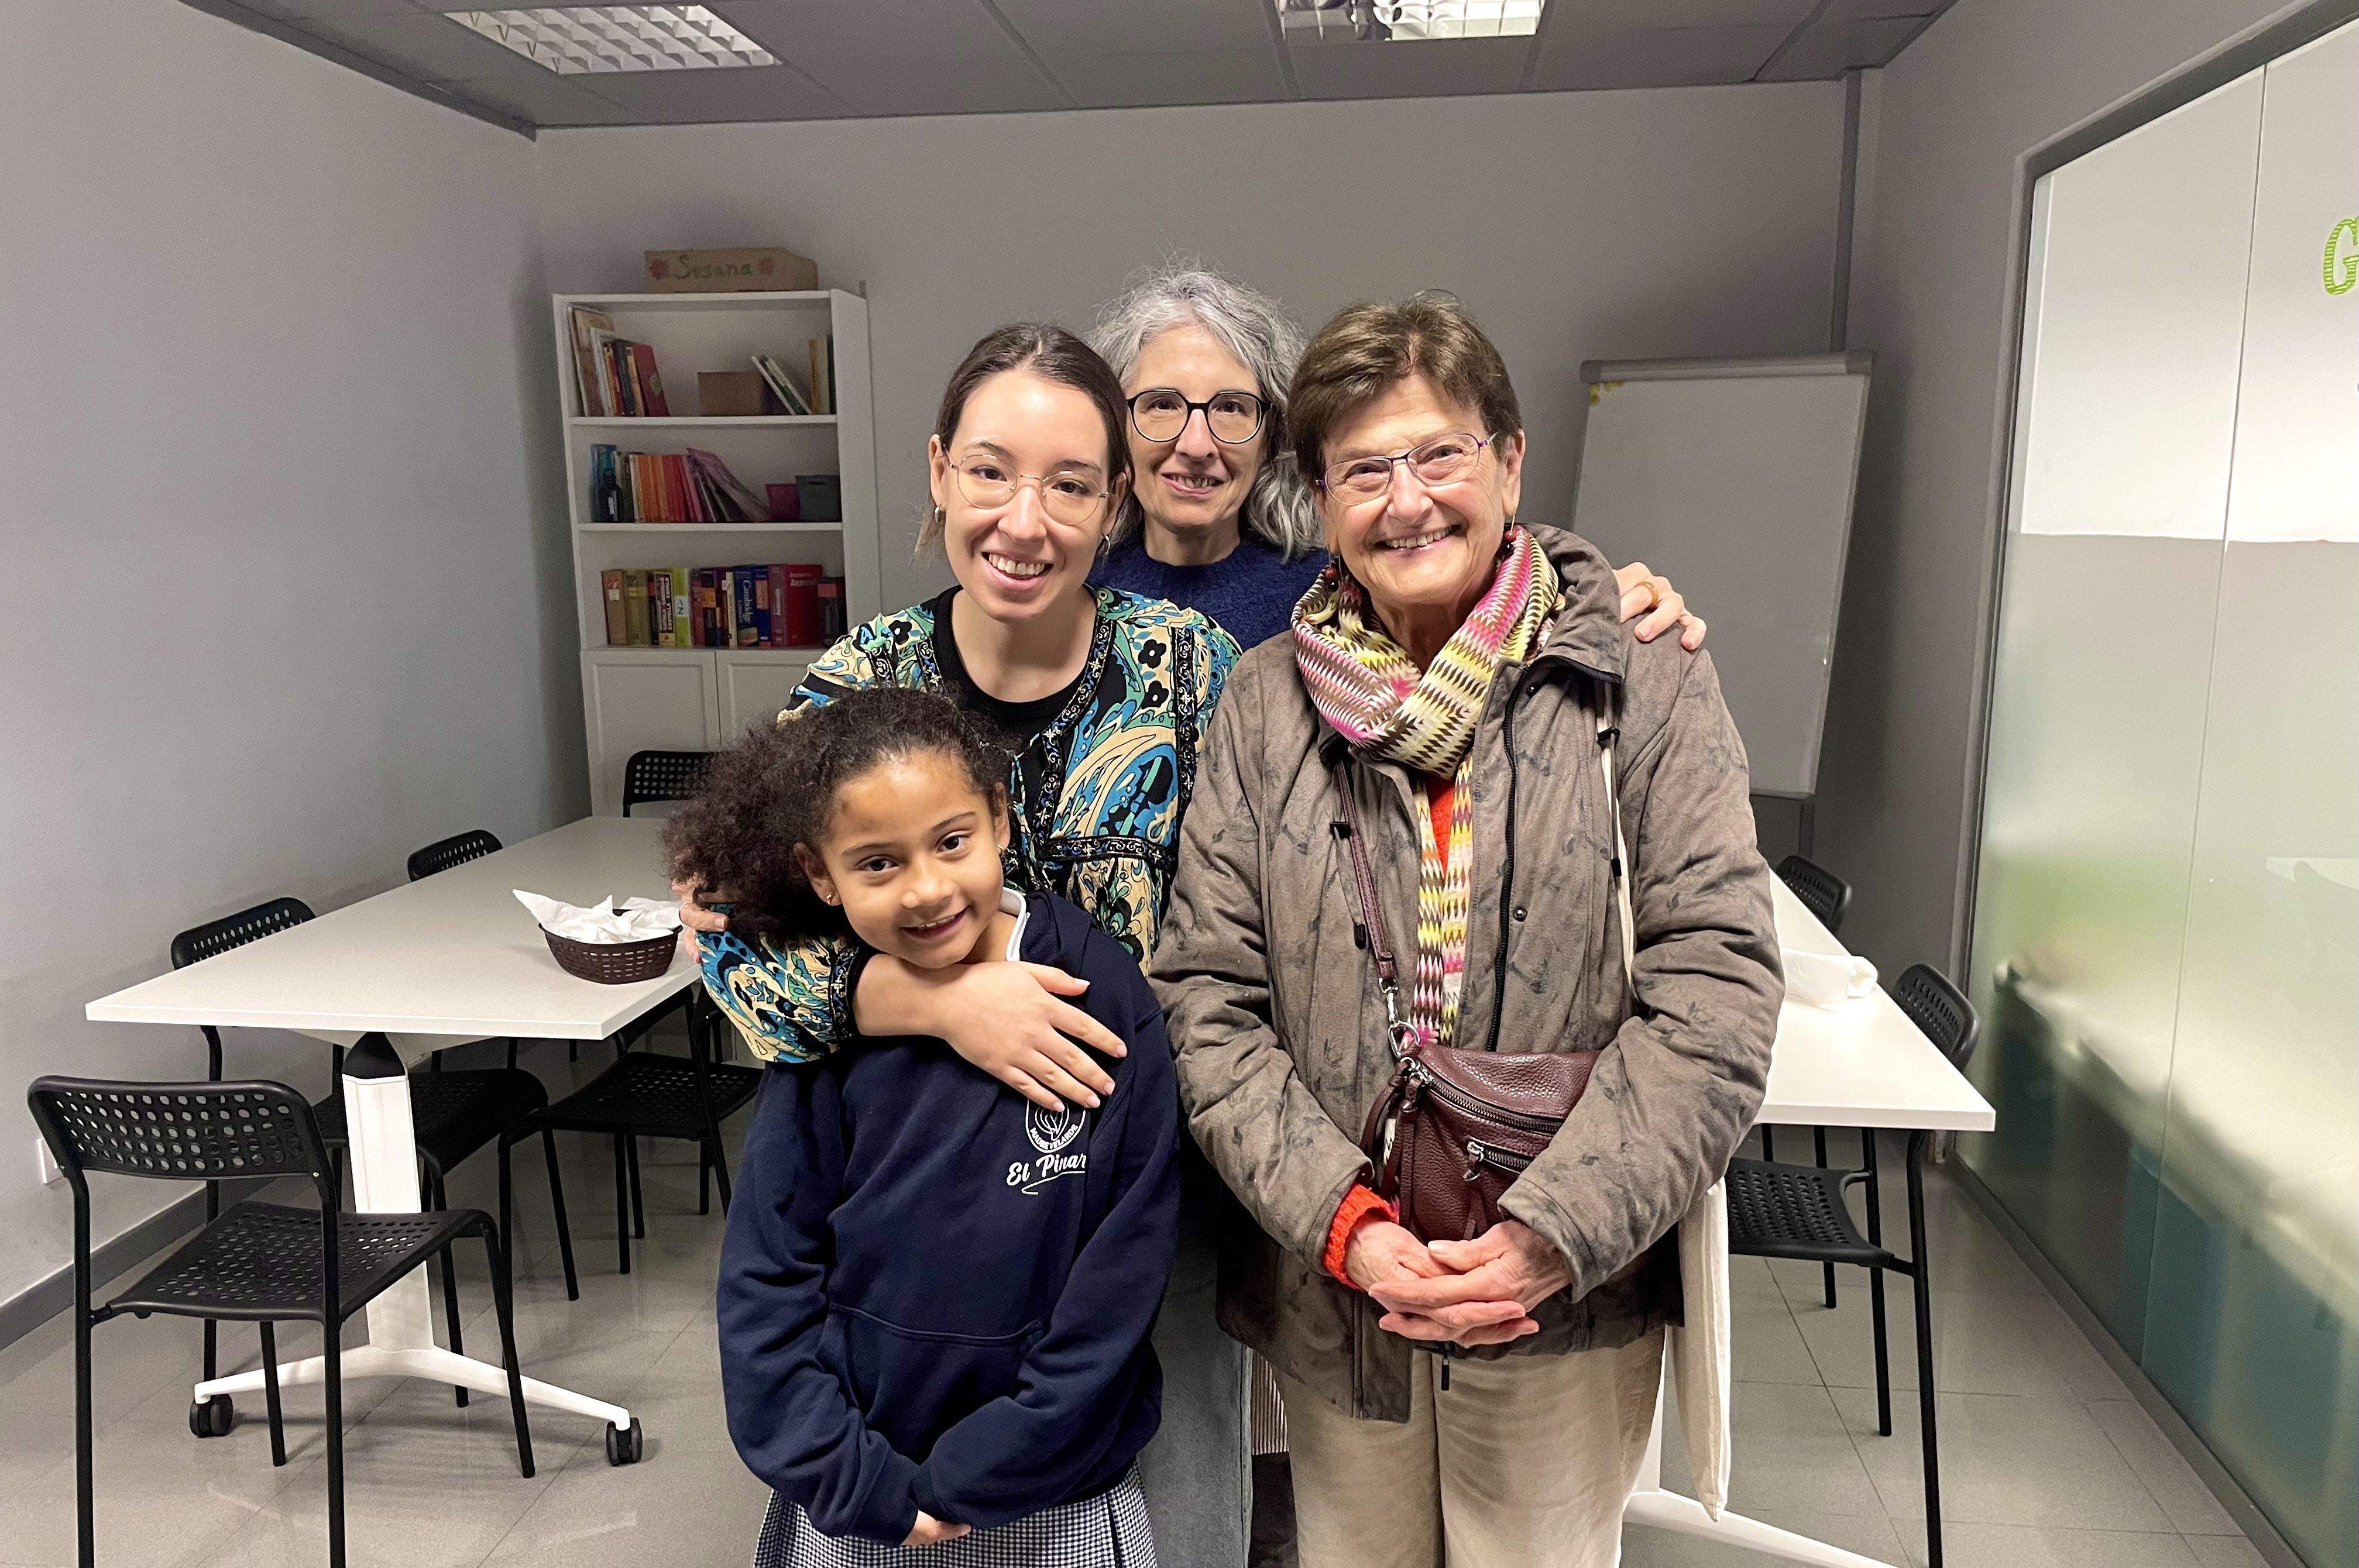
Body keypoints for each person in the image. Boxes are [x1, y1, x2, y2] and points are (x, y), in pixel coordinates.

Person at [1086, 262, 1709, 1564]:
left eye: (1439, 453)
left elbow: (1711, 992)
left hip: (1563, 1285)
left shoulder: (1631, 678)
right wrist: (1344, 1224)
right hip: (1335, 1283)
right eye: (1362, 470)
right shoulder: (1262, 699)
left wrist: (1554, 1232)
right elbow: (1205, 992)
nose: (1405, 496)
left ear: (1510, 461)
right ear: (1318, 496)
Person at [678, 322, 1256, 1564]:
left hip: (1138, 1204)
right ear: (939, 468)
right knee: (909, 1508)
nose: (1021, 518)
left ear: (1114, 506)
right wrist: (932, 1005)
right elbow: (735, 950)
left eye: (1068, 483)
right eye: (989, 470)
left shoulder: (1192, 672)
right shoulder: (855, 684)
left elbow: (1285, 894)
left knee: (1180, 1509)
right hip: (909, 1214)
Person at [671, 688, 1177, 1565]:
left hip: (1057, 1492)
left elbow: (1120, 1276)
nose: (927, 889)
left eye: (952, 842)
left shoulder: (1101, 998)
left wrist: (986, 1471)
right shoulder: (825, 1035)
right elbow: (767, 1273)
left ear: (1000, 820)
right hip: (860, 1488)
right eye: (876, 863)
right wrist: (842, 1475)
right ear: (820, 875)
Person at [1088, 264, 1706, 655]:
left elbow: (1491, 613)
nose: (1196, 444)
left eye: (1230, 408)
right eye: (1162, 405)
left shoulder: (1340, 589)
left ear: (1273, 432)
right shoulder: (1065, 592)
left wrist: (1605, 605)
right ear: (1115, 424)